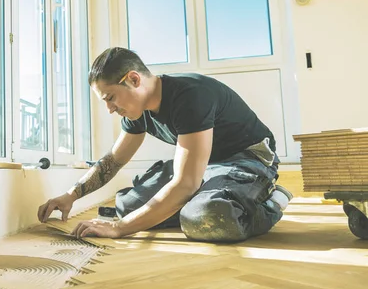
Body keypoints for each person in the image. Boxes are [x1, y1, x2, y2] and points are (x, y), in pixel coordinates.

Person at [37, 47, 293, 242]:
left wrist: (120, 227)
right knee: (129, 204)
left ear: (134, 80)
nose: (110, 109)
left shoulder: (190, 95)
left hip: (247, 160)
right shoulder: (138, 111)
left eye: (111, 98)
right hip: (207, 166)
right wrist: (70, 195)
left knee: (207, 215)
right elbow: (112, 162)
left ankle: (271, 202)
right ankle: (204, 201)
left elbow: (185, 183)